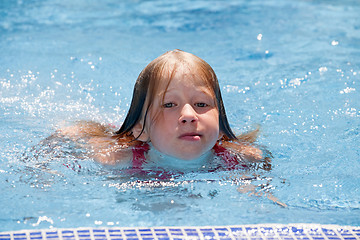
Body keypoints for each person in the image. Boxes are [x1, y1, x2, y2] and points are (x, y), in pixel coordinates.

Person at [59, 49, 271, 172]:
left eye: (202, 104)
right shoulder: (117, 158)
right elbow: (65, 147)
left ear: (222, 126)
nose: (189, 115)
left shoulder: (244, 160)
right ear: (141, 128)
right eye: (169, 105)